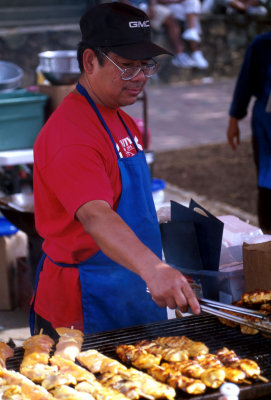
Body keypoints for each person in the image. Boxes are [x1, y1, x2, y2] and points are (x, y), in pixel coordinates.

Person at [30, 2, 201, 339]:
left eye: (145, 66)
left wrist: (153, 219)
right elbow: (96, 214)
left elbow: (118, 196)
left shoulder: (121, 117)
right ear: (90, 61)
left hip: (134, 292)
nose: (139, 77)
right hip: (83, 307)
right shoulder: (72, 134)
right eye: (126, 66)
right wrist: (155, 268)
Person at [226, 31, 271, 233]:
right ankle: (268, 240)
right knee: (268, 182)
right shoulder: (262, 44)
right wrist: (234, 118)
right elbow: (245, 82)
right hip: (267, 123)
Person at [119, 0, 196, 68]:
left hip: (148, 7)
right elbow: (123, 2)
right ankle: (138, 64)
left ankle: (180, 55)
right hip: (131, 8)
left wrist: (152, 7)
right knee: (136, 26)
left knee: (169, 17)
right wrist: (135, 11)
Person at [161, 0, 209, 69]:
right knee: (191, 16)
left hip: (179, 5)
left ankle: (191, 31)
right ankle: (195, 52)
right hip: (167, 6)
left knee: (193, 3)